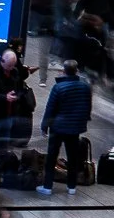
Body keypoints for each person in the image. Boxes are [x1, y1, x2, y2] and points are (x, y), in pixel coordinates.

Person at [37, 60, 93, 196]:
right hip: (74, 128)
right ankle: (72, 186)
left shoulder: (59, 87)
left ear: (63, 71)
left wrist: (44, 126)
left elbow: (50, 108)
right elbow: (87, 106)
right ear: (77, 71)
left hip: (58, 127)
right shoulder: (85, 87)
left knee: (52, 157)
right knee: (72, 157)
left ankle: (48, 186)